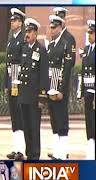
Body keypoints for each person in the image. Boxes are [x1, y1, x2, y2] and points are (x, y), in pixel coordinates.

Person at [18, 17, 49, 160]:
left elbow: (43, 75)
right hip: (24, 95)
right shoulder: (24, 48)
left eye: (30, 31)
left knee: (34, 127)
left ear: (35, 33)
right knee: (26, 126)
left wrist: (42, 96)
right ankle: (29, 152)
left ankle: (35, 155)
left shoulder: (41, 50)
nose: (27, 34)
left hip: (34, 96)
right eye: (26, 31)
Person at [46, 15, 75, 160]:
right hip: (50, 86)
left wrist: (62, 90)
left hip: (59, 88)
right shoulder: (51, 45)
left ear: (60, 27)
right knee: (54, 120)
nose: (52, 30)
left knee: (62, 120)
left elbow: (67, 68)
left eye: (54, 27)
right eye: (51, 27)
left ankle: (63, 153)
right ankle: (57, 151)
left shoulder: (65, 43)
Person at [4, 8, 26, 160]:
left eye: (15, 21)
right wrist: (6, 83)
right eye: (11, 21)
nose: (12, 23)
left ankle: (21, 150)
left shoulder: (24, 38)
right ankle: (15, 148)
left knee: (20, 114)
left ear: (20, 22)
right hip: (12, 80)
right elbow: (8, 63)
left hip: (19, 81)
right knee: (14, 115)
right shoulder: (11, 38)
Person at [77, 20, 95, 160]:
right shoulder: (88, 49)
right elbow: (84, 72)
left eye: (92, 33)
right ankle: (90, 148)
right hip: (88, 91)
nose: (89, 35)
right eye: (88, 33)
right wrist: (82, 91)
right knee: (89, 121)